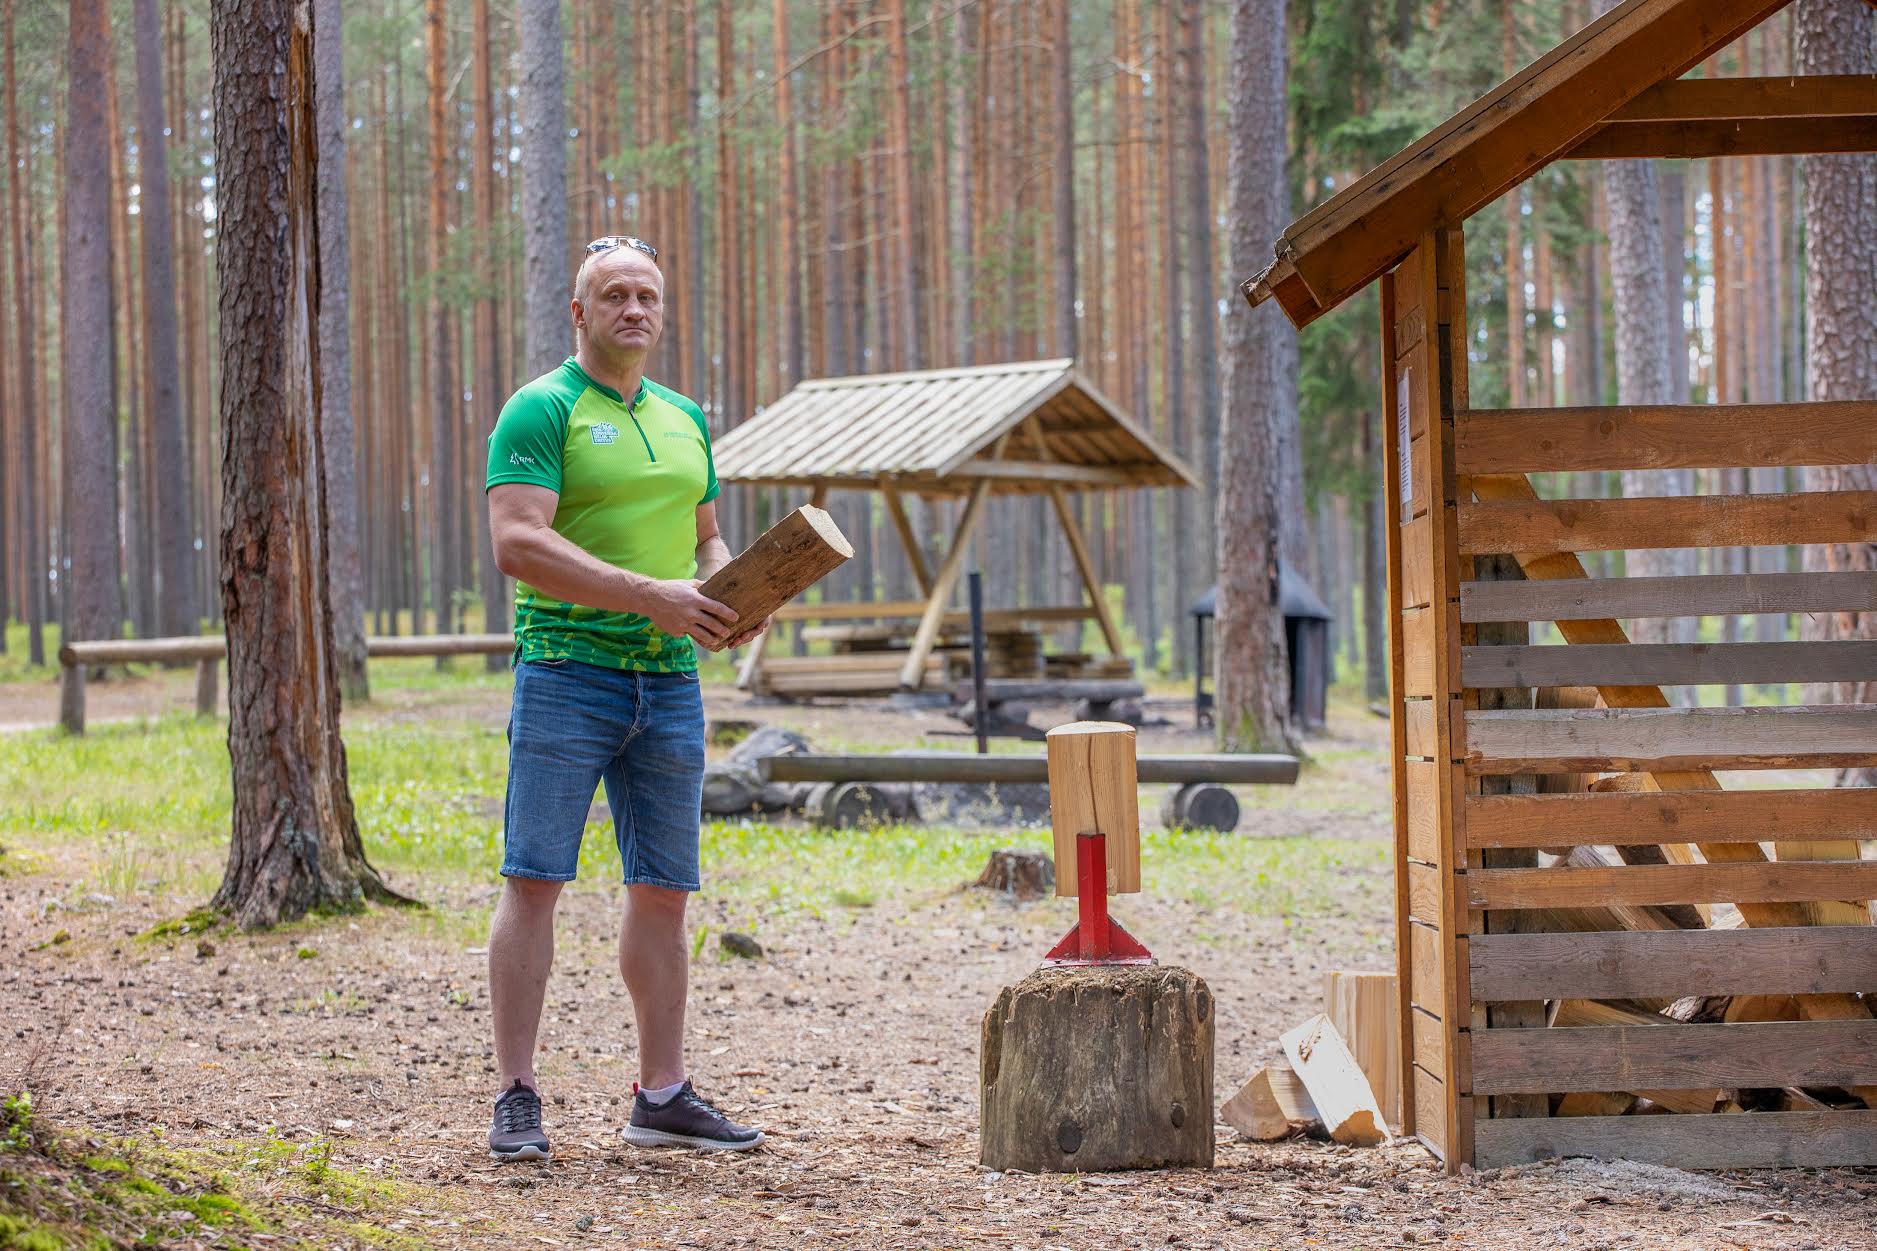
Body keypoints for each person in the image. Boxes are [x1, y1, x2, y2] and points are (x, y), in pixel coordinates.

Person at [482, 234, 765, 1161]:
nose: (633, 309)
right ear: (579, 312)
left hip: (671, 686)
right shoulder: (540, 409)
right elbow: (517, 543)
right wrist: (649, 594)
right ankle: (517, 1092)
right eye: (614, 295)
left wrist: (735, 593)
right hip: (567, 673)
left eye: (647, 294)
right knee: (535, 882)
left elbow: (708, 537)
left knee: (663, 893)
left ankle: (662, 1094)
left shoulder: (685, 416)